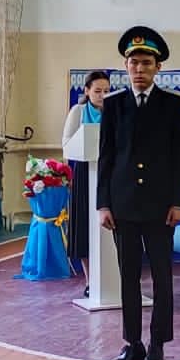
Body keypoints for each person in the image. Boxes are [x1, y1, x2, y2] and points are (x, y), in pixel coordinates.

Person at [97, 27, 180, 360]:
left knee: (162, 277)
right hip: (123, 204)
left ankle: (157, 343)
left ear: (158, 67)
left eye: (146, 63)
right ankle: (132, 343)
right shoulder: (114, 105)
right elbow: (106, 157)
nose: (139, 69)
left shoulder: (173, 104)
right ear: (126, 66)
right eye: (134, 62)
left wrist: (179, 202)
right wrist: (103, 204)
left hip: (160, 206)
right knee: (128, 277)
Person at [63, 70, 112, 289]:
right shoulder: (78, 111)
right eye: (97, 91)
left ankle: (113, 279)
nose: (102, 95)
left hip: (110, 172)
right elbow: (66, 143)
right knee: (85, 227)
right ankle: (91, 281)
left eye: (106, 91)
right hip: (85, 172)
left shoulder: (114, 112)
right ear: (87, 91)